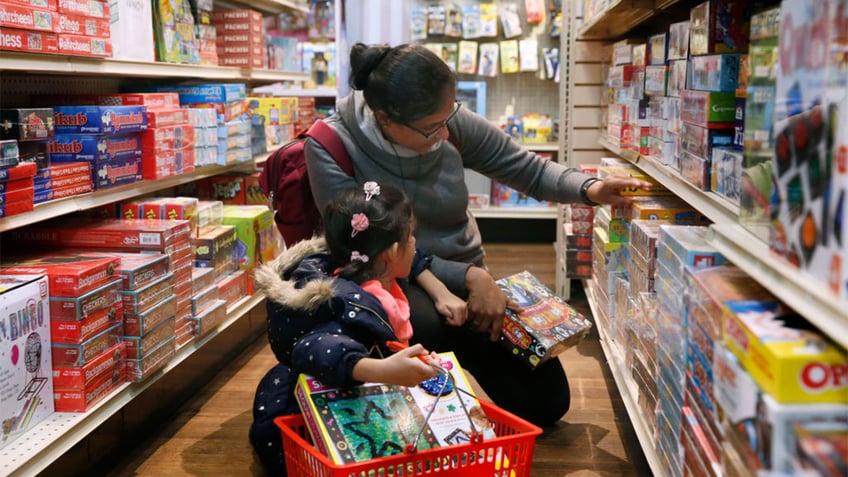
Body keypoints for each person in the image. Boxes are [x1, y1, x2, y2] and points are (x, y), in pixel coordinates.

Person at [303, 42, 653, 427]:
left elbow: (525, 167)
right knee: (428, 326)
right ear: (385, 120)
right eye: (432, 127)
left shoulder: (448, 122)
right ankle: (425, 391)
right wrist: (467, 278)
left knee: (547, 402)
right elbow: (366, 246)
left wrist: (590, 189)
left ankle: (453, 371)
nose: (444, 132)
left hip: (465, 276)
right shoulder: (331, 144)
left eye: (449, 116)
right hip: (389, 283)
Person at [249, 182, 469, 475]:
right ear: (391, 252)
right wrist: (380, 370)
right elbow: (314, 348)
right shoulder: (344, 303)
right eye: (411, 237)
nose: (416, 244)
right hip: (314, 422)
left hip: (360, 405)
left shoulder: (374, 278)